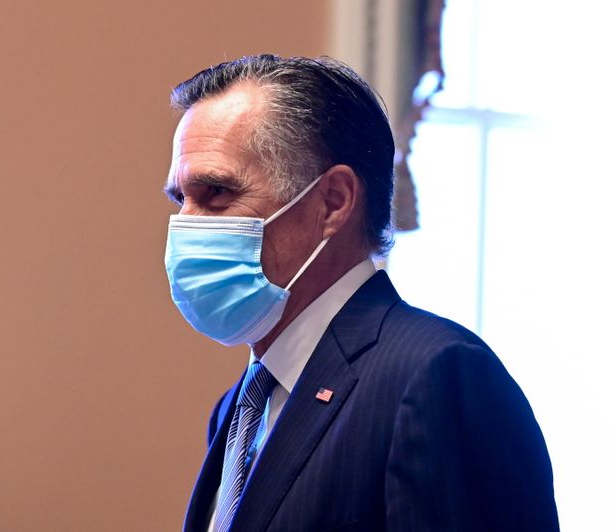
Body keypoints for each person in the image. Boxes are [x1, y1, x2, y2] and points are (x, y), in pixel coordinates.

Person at [162, 55, 558, 532]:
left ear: (333, 202)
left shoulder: (436, 375)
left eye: (217, 193)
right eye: (179, 198)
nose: (186, 223)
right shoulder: (239, 407)